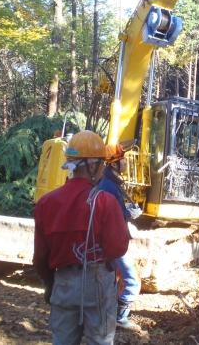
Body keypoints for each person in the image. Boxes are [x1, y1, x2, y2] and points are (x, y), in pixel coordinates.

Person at [33, 130, 130, 345]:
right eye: (102, 165)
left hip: (64, 283)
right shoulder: (105, 201)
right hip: (98, 282)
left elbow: (40, 255)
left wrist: (49, 283)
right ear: (93, 165)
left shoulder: (46, 203)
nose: (104, 169)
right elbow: (118, 248)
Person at [98, 142, 142, 332]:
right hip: (113, 242)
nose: (126, 162)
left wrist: (126, 212)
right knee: (132, 281)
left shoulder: (111, 183)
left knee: (115, 280)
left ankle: (111, 313)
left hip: (116, 240)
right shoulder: (108, 186)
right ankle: (119, 318)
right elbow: (108, 216)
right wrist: (128, 215)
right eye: (122, 159)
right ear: (113, 164)